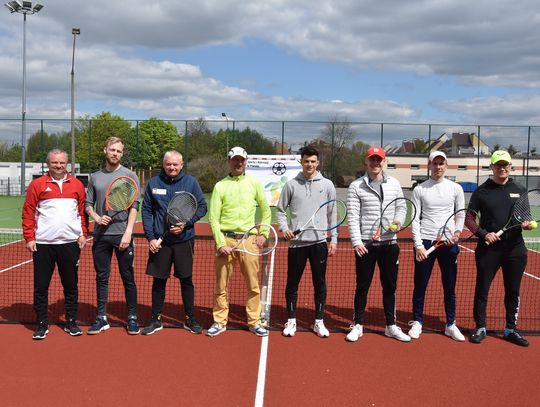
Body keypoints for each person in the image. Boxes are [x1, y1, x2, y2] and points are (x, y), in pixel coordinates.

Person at [345, 147, 411, 342]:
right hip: (366, 245)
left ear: (384, 161)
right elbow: (353, 216)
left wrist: (398, 222)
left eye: (379, 160)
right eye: (372, 160)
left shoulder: (394, 184)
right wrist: (357, 242)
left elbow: (401, 206)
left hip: (390, 244)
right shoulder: (356, 186)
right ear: (367, 161)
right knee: (362, 286)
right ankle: (358, 325)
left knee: (390, 286)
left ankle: (391, 326)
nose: (376, 163)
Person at [22, 149, 88, 340]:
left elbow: (82, 212)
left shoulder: (76, 185)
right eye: (54, 163)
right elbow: (28, 212)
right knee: (41, 287)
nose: (58, 166)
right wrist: (29, 237)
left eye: (62, 163)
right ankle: (42, 324)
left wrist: (83, 233)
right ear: (48, 163)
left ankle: (71, 322)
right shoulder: (37, 185)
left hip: (69, 244)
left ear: (67, 164)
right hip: (43, 244)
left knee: (71, 286)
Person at [468, 150, 532, 347]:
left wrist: (527, 223)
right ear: (492, 167)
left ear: (511, 167)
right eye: (498, 165)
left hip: (515, 249)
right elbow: (468, 218)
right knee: (482, 289)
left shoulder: (519, 189)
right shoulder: (481, 191)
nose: (502, 168)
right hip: (489, 250)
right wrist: (483, 233)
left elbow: (525, 216)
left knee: (513, 290)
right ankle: (480, 327)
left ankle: (511, 329)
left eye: (505, 165)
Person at [141, 151, 207, 335]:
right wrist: (151, 237)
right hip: (160, 242)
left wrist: (186, 224)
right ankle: (156, 319)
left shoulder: (191, 182)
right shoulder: (153, 183)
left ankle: (190, 319)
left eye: (175, 165)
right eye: (168, 164)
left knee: (186, 280)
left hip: (183, 241)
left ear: (182, 165)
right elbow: (146, 210)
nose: (172, 167)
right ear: (163, 164)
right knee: (158, 281)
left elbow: (202, 207)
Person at [207, 146, 271, 337]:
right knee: (221, 285)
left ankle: (254, 321)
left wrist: (264, 234)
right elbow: (213, 218)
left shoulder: (254, 183)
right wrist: (220, 243)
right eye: (235, 159)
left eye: (241, 160)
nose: (238, 162)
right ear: (229, 161)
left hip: (248, 240)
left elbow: (267, 212)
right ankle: (219, 321)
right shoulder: (220, 186)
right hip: (225, 240)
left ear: (246, 162)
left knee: (253, 284)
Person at [276, 146, 337, 338]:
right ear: (301, 162)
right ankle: (292, 320)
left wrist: (333, 238)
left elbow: (332, 213)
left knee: (319, 283)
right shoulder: (291, 185)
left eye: (313, 161)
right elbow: (279, 210)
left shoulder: (327, 185)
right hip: (297, 244)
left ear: (318, 163)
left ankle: (319, 321)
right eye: (306, 161)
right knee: (292, 283)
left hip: (319, 243)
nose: (309, 164)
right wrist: (284, 228)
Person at [85, 136, 141, 335]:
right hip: (101, 236)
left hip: (122, 236)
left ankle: (132, 317)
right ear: (105, 150)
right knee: (102, 277)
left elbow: (134, 206)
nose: (115, 153)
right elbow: (88, 205)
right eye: (112, 150)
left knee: (128, 278)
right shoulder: (94, 177)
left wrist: (128, 232)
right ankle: (101, 318)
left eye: (119, 151)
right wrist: (96, 217)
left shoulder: (130, 176)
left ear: (122, 153)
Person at [408, 151, 465, 341]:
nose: (438, 167)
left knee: (449, 286)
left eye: (442, 163)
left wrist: (457, 233)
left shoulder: (455, 188)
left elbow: (460, 215)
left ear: (446, 166)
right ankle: (417, 322)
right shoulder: (420, 189)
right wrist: (418, 246)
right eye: (435, 163)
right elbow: (415, 219)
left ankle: (451, 324)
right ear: (429, 165)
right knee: (420, 285)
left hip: (449, 245)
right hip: (425, 242)